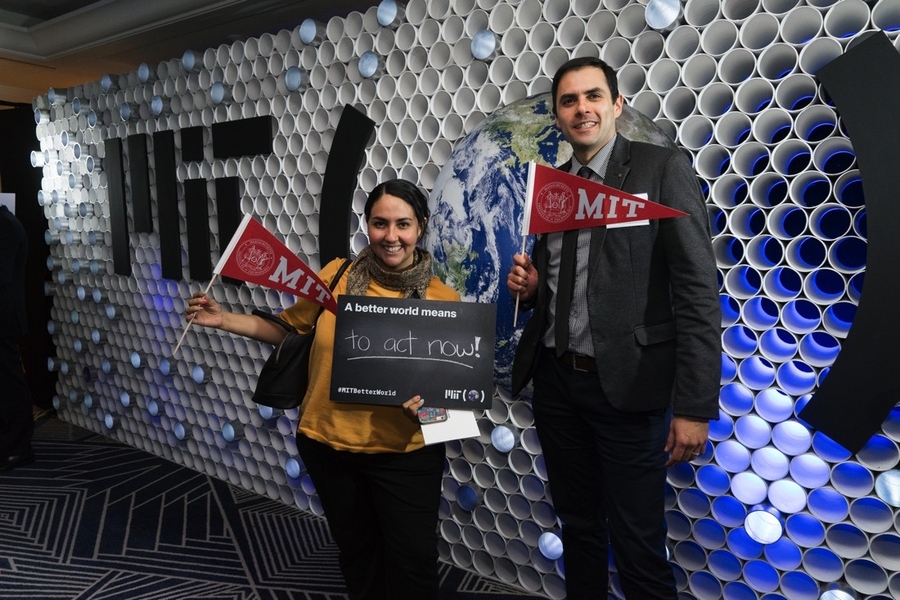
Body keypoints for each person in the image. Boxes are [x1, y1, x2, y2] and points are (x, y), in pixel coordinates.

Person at [506, 57, 720, 599]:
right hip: (557, 386)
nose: (582, 109)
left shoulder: (660, 169)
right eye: (569, 101)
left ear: (616, 105)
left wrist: (694, 407)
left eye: (593, 96)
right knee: (578, 528)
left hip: (628, 388)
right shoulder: (555, 187)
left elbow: (697, 291)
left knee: (638, 545)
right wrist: (533, 292)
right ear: (557, 115)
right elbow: (572, 282)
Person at [187, 179, 459, 600]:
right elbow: (288, 329)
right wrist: (224, 320)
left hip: (405, 456)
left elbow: (453, 413)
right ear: (367, 225)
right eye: (380, 223)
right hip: (328, 444)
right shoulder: (336, 275)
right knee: (357, 555)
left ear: (420, 226)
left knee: (413, 565)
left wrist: (424, 411)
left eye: (402, 224)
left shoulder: (444, 300)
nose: (391, 236)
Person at [0, 202, 34, 471]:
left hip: (4, 319)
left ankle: (19, 448)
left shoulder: (5, 225)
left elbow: (3, 276)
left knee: (11, 383)